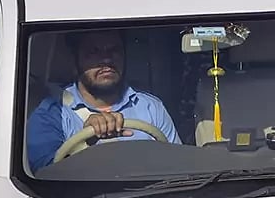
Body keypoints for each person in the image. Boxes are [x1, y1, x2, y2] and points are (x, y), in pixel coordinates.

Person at [27, 30, 181, 171]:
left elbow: (177, 168)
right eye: (94, 52)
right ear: (75, 60)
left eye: (114, 50)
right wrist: (84, 144)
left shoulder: (152, 107)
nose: (106, 59)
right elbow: (44, 176)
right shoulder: (52, 113)